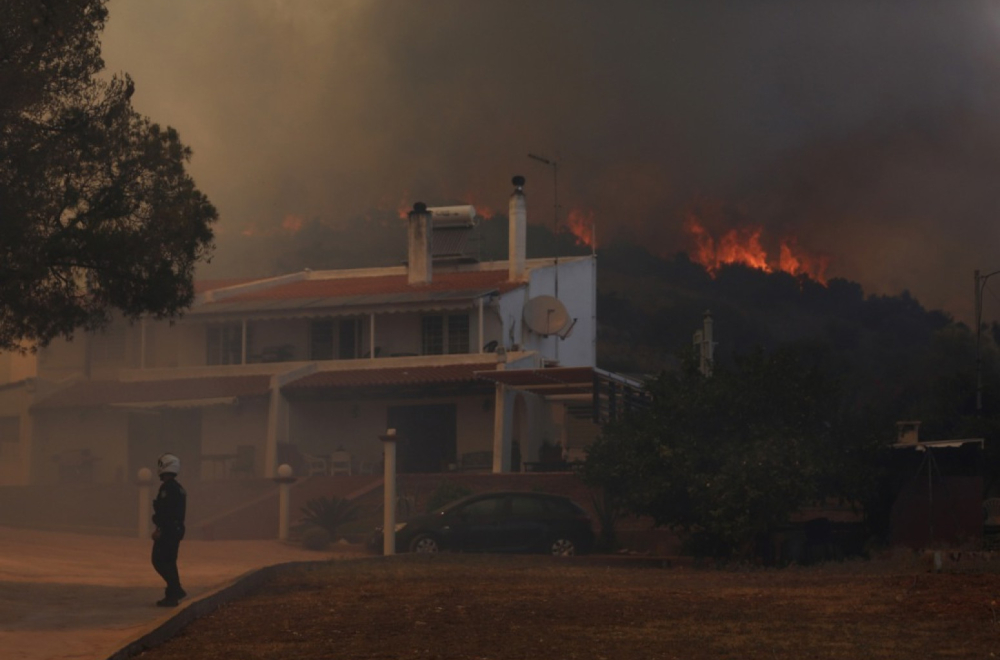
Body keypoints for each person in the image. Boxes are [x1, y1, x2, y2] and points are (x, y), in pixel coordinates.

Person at [151, 452, 187, 607]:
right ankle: (173, 593)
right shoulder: (179, 488)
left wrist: (159, 528)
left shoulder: (167, 488)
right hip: (177, 529)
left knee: (159, 560)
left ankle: (175, 590)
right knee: (170, 561)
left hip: (168, 530)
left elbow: (164, 511)